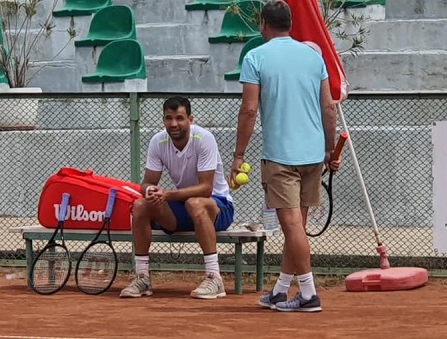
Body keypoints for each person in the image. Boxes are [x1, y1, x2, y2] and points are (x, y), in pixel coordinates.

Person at [229, 0, 341, 312]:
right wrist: (329, 150)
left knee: (292, 228)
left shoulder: (255, 57)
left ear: (263, 23)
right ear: (289, 24)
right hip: (312, 157)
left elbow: (249, 109)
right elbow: (328, 107)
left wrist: (238, 155)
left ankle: (308, 294)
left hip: (281, 157)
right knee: (297, 228)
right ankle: (280, 290)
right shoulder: (313, 55)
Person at [120, 96, 235, 300]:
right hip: (184, 206)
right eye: (169, 118)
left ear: (190, 119)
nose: (174, 124)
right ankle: (143, 277)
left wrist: (169, 194)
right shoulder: (158, 141)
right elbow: (146, 183)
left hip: (218, 207)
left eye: (179, 118)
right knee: (139, 205)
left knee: (195, 202)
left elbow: (206, 189)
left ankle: (214, 277)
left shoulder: (204, 138)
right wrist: (151, 193)